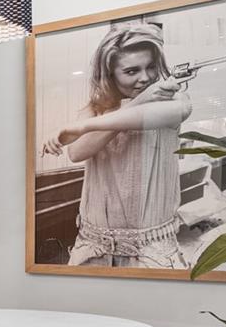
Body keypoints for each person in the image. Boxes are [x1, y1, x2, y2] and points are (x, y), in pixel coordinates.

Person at [41, 21, 193, 268]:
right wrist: (139, 101)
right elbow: (77, 152)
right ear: (110, 75)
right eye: (132, 71)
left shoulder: (175, 100)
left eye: (151, 67)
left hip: (152, 253)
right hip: (93, 248)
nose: (145, 78)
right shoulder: (96, 108)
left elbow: (151, 116)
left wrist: (80, 127)